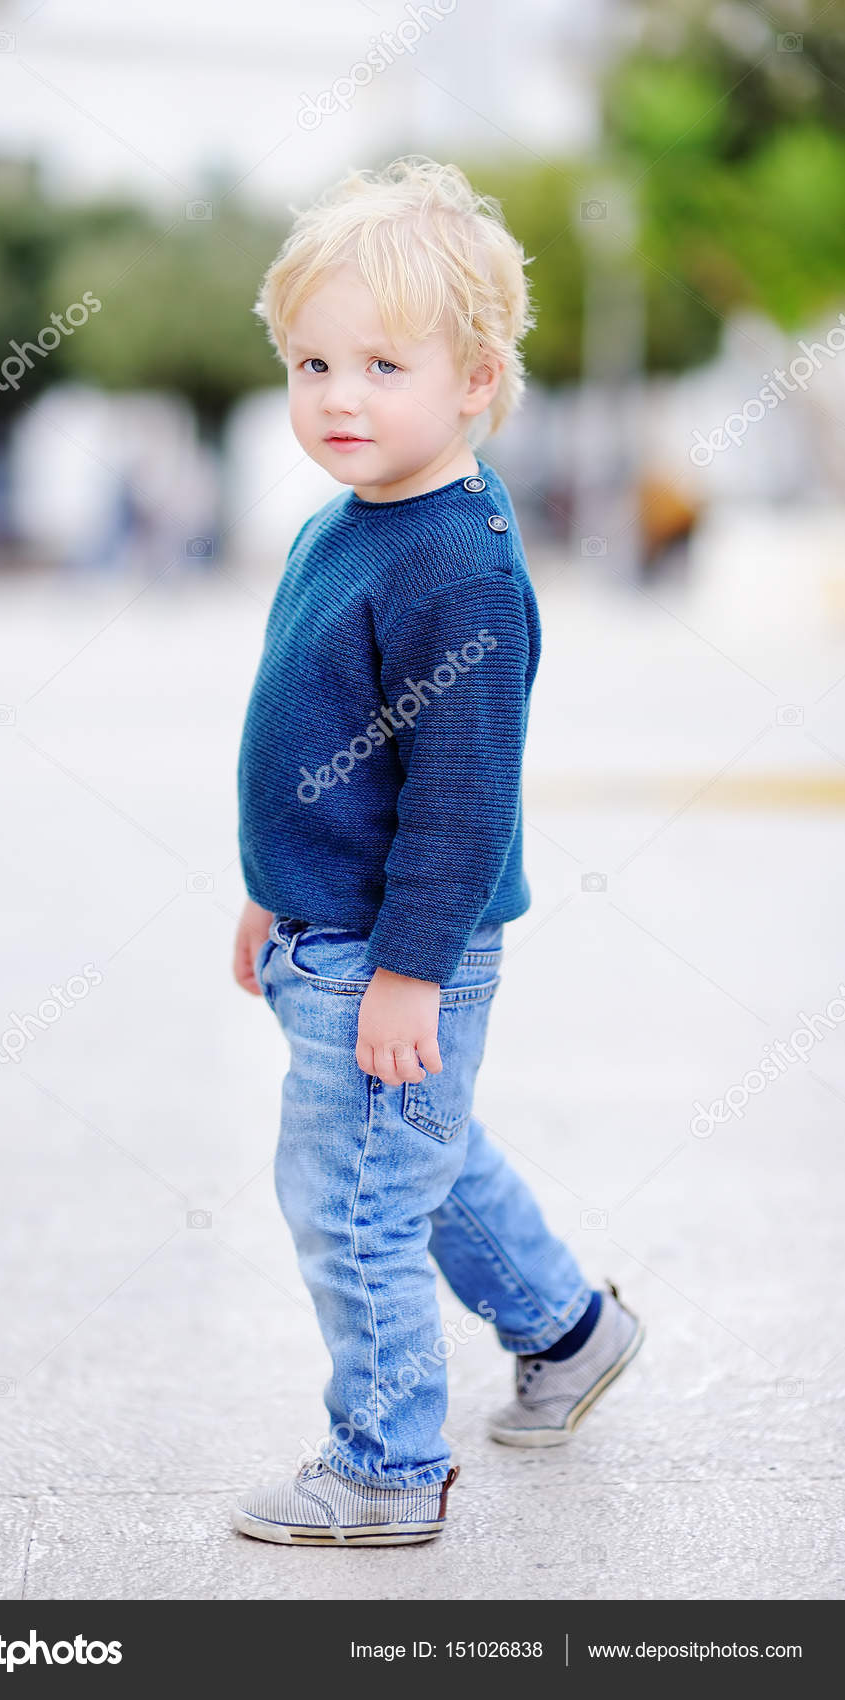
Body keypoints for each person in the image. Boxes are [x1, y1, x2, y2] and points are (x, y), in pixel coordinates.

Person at [230, 157, 643, 1548]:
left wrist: (406, 972)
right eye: (311, 361)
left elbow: (458, 805)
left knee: (354, 1211)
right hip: (327, 930)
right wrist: (265, 891)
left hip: (392, 954)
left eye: (381, 366)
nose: (337, 397)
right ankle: (567, 1329)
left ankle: (387, 1470)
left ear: (475, 380)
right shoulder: (343, 527)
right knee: (421, 1151)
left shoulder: (453, 567)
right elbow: (315, 740)